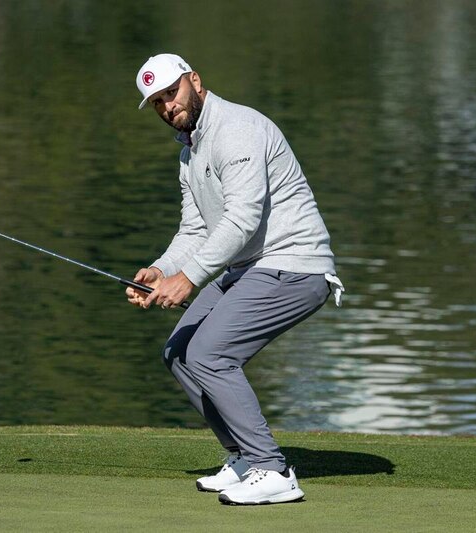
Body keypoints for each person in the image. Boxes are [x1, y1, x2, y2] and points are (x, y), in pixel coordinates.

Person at [127, 53, 344, 506]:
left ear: (195, 81)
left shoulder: (238, 128)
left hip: (295, 264)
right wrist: (162, 270)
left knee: (211, 353)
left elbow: (243, 219)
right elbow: (196, 230)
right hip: (249, 268)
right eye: (158, 102)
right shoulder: (190, 150)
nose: (168, 107)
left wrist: (188, 279)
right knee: (180, 353)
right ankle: (244, 457)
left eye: (172, 93)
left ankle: (274, 469)